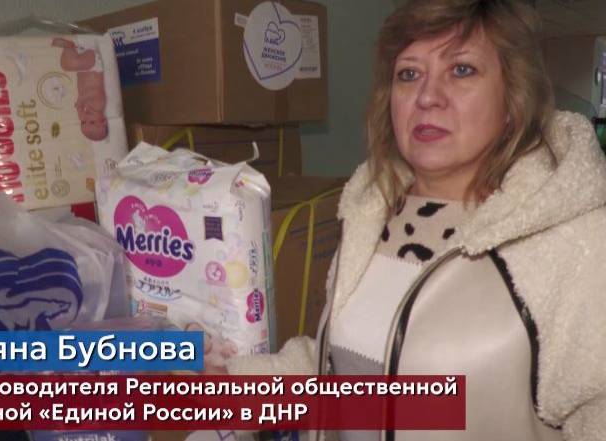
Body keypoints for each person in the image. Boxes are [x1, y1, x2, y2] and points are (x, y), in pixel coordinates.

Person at [225, 0, 606, 439]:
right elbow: (346, 368)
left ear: (513, 99)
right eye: (409, 74)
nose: (427, 97)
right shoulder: (372, 213)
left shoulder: (576, 243)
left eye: (461, 70)